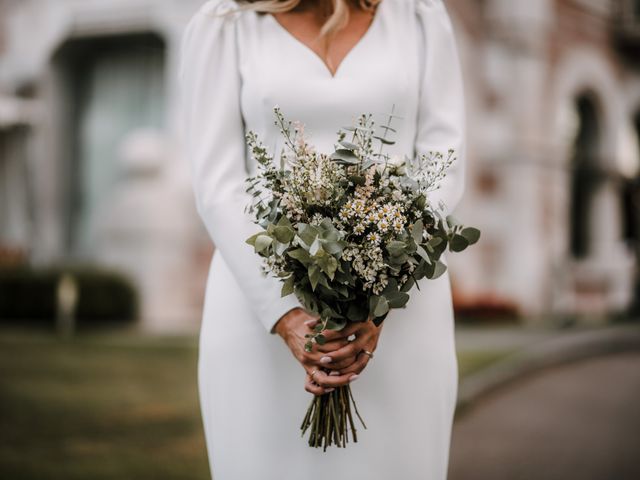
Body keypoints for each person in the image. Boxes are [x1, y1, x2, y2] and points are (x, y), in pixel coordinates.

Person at [178, 0, 466, 478]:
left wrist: (381, 291)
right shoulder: (223, 25)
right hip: (258, 310)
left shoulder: (419, 16)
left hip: (403, 308)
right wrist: (285, 313)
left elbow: (444, 158)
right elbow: (217, 182)